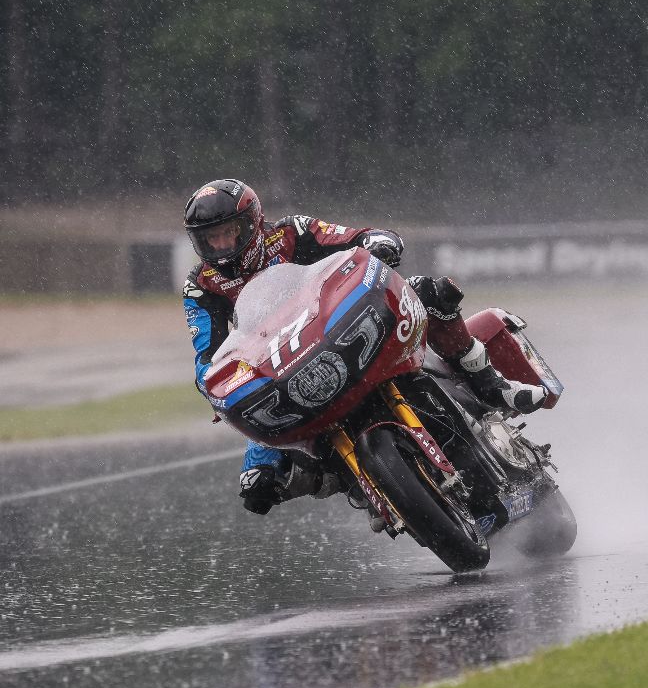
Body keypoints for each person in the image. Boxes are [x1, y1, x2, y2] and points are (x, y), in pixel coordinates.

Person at [182, 178, 546, 515]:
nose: (220, 247)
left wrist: (378, 243)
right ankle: (363, 484)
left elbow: (357, 238)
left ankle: (491, 383)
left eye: (227, 234)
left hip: (339, 326)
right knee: (258, 484)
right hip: (286, 369)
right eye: (209, 240)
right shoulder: (201, 286)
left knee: (430, 291)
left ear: (252, 224)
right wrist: (216, 387)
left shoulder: (292, 232)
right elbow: (208, 358)